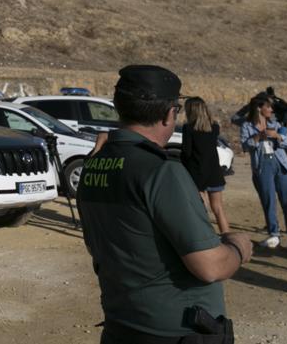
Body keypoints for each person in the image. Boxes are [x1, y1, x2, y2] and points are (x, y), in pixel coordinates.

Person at [79, 65, 251, 343]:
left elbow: (96, 243)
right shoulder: (161, 171)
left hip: (123, 325)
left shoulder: (94, 165)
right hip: (174, 332)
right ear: (169, 113)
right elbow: (211, 267)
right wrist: (238, 247)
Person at [239, 94, 287, 252]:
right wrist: (258, 136)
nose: (271, 110)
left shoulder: (276, 123)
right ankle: (274, 234)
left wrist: (277, 135)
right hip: (262, 165)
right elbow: (245, 146)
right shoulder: (247, 126)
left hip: (280, 163)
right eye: (268, 107)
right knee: (268, 200)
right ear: (260, 108)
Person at [180, 97, 230, 233]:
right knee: (218, 209)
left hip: (197, 174)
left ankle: (208, 238)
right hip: (214, 172)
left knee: (202, 210)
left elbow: (186, 152)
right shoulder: (214, 127)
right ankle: (228, 238)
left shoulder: (188, 128)